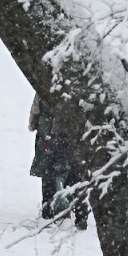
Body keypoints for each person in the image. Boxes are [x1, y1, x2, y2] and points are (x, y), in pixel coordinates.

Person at [28, 94, 89, 230]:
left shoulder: (44, 87)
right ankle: (81, 215)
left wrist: (33, 124)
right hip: (72, 137)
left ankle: (48, 213)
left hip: (48, 137)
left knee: (48, 175)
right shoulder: (78, 89)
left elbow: (35, 111)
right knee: (74, 176)